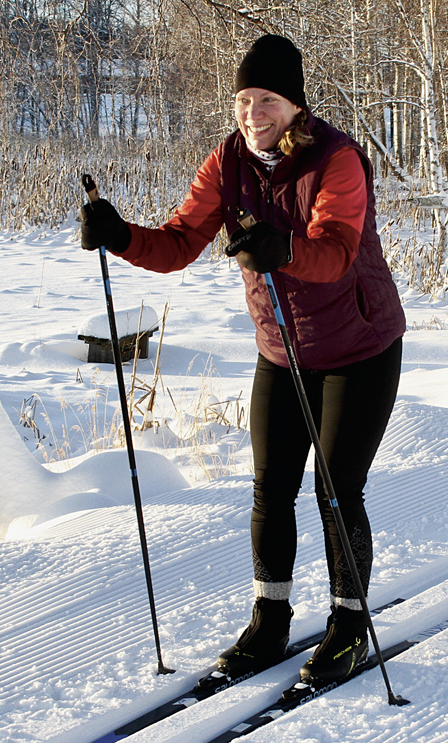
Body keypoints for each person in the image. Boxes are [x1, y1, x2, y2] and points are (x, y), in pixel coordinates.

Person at [78, 34, 406, 686]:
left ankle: (347, 625)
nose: (253, 112)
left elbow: (336, 250)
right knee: (270, 489)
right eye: (244, 99)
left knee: (337, 489)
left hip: (360, 349)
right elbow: (177, 244)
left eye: (267, 100)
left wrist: (282, 248)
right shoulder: (226, 163)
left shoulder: (336, 160)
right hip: (281, 351)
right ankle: (270, 620)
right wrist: (118, 235)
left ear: (294, 105)